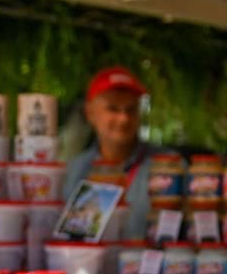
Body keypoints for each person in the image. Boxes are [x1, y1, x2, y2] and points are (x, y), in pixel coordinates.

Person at [60, 66, 173, 239]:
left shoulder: (168, 166)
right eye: (113, 109)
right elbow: (74, 239)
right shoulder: (73, 171)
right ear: (90, 113)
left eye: (131, 109)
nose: (123, 118)